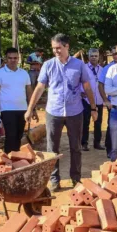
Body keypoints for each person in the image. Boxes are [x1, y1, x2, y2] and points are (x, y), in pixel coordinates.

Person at [25, 33, 97, 192]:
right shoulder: (48, 65)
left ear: (67, 47)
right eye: (53, 48)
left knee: (75, 147)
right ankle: (54, 180)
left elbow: (87, 87)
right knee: (52, 149)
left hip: (75, 112)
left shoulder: (79, 65)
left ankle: (75, 179)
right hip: (54, 112)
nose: (56, 51)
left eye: (58, 48)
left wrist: (93, 107)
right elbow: (39, 88)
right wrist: (30, 109)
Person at [0, 47, 33, 152]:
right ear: (6, 59)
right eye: (10, 58)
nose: (13, 60)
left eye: (15, 58)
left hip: (23, 110)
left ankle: (16, 159)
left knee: (18, 136)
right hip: (7, 110)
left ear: (18, 59)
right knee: (11, 136)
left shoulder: (24, 73)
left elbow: (29, 92)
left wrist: (32, 109)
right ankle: (8, 161)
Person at [81, 48, 104, 151]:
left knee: (98, 122)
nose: (94, 58)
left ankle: (97, 143)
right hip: (86, 100)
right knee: (85, 122)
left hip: (99, 100)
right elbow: (78, 82)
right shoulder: (83, 68)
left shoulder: (102, 70)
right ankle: (84, 143)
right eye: (92, 56)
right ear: (88, 57)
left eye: (96, 56)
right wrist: (80, 92)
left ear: (98, 57)